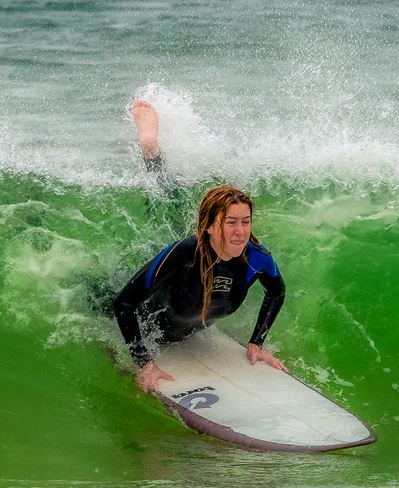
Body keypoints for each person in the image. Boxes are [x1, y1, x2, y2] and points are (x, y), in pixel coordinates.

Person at [112, 100, 287, 394]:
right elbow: (124, 304)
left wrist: (257, 341)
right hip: (149, 317)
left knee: (171, 204)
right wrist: (144, 361)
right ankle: (149, 145)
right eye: (231, 222)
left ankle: (153, 149)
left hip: (187, 330)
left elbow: (277, 290)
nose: (241, 231)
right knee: (165, 204)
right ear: (210, 226)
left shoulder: (257, 258)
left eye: (246, 222)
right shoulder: (185, 253)